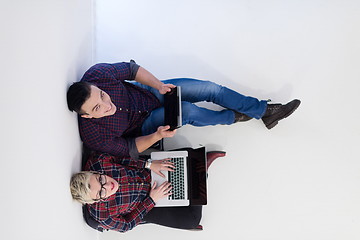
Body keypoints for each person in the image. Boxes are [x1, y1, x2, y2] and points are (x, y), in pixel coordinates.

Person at [67, 60, 300, 158]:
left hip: (148, 91)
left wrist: (158, 85)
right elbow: (129, 147)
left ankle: (263, 111)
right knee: (187, 111)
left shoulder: (97, 74)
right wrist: (156, 135)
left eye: (103, 95)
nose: (108, 105)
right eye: (99, 107)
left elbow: (132, 70)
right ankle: (234, 117)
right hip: (144, 123)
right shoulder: (92, 135)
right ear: (87, 115)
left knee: (210, 89)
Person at [70, 150, 225, 232]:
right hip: (146, 203)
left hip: (145, 172)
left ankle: (199, 167)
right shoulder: (100, 213)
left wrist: (149, 164)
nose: (108, 186)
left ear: (95, 173)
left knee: (188, 155)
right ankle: (202, 173)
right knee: (192, 220)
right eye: (101, 192)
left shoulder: (97, 162)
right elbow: (126, 225)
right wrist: (151, 200)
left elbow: (121, 159)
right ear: (96, 200)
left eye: (101, 180)